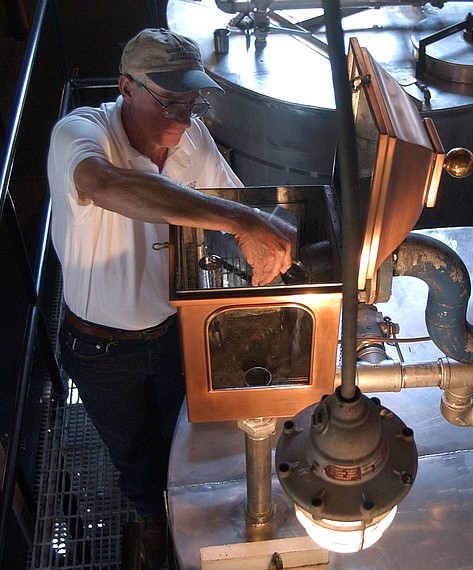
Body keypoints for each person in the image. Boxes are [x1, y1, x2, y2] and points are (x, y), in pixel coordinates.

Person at [47, 28, 293, 569]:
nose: (181, 122)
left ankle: (179, 509)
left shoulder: (191, 140)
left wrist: (273, 238)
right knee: (134, 453)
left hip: (174, 331)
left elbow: (236, 203)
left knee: (185, 437)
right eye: (167, 103)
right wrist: (242, 220)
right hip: (101, 349)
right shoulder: (81, 134)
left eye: (191, 103)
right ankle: (151, 522)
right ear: (126, 87)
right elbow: (105, 185)